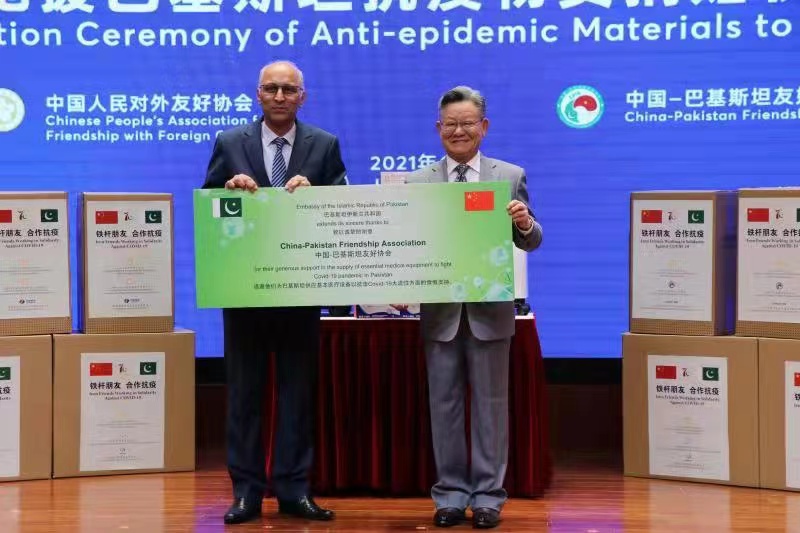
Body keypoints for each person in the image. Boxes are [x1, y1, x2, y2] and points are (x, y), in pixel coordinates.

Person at [202, 60, 347, 525]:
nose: (280, 96)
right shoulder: (230, 143)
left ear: (303, 97)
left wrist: (318, 192)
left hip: (300, 288)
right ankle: (246, 491)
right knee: (244, 394)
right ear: (258, 94)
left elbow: (345, 206)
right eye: (271, 88)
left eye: (289, 89)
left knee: (296, 393)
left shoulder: (324, 144)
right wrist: (228, 189)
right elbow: (209, 207)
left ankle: (293, 489)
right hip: (245, 290)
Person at [404, 86, 543, 529]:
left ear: (483, 127)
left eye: (467, 123)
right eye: (450, 124)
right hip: (441, 313)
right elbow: (409, 243)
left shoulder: (509, 174)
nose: (458, 131)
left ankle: (487, 497)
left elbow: (532, 238)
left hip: (490, 311)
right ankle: (449, 495)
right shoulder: (420, 181)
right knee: (443, 406)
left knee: (490, 407)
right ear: (438, 129)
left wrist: (524, 222)